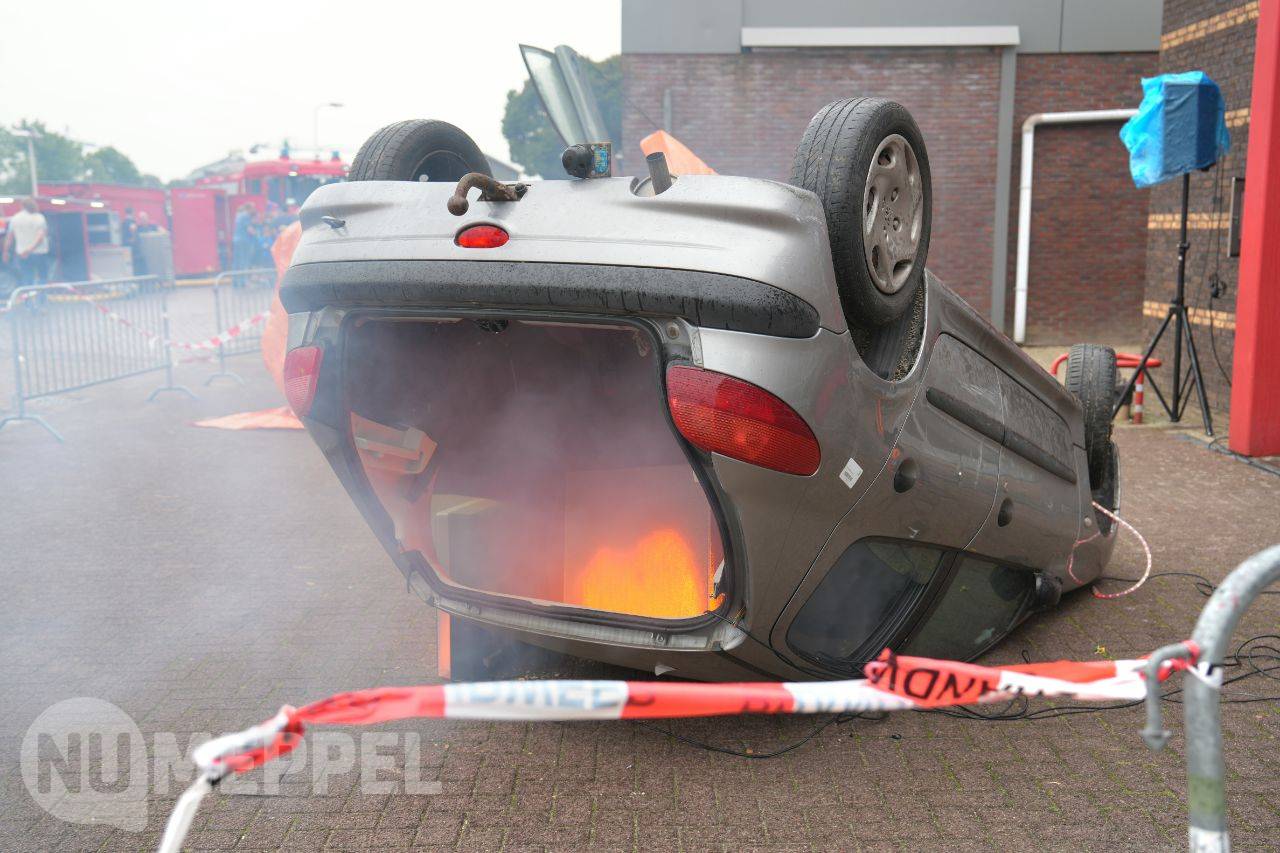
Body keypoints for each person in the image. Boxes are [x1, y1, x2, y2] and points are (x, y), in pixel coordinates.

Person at [2, 198, 50, 286]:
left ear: (21, 206)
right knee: (42, 277)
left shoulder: (15, 218)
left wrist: (5, 252)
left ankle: (28, 294)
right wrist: (30, 250)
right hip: (39, 252)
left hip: (22, 253)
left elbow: (9, 238)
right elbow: (40, 237)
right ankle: (41, 294)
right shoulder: (39, 218)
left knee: (27, 276)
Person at [232, 203, 256, 270]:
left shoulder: (239, 215)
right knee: (244, 259)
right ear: (249, 209)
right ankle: (243, 276)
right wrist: (256, 234)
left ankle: (236, 275)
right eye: (253, 208)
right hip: (243, 240)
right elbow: (249, 229)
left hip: (236, 239)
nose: (254, 209)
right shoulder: (246, 216)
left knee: (237, 259)